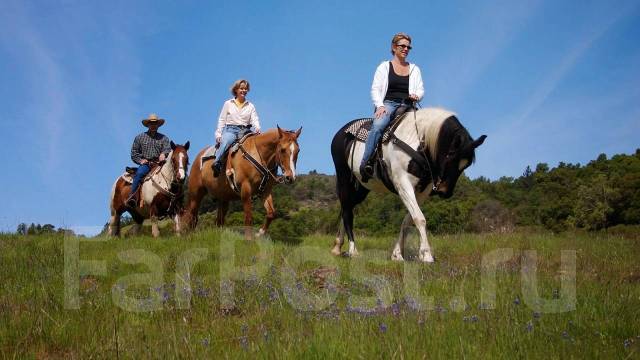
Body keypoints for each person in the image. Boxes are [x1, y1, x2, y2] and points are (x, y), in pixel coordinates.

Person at [360, 32, 424, 182]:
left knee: (423, 129)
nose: (406, 49)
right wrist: (380, 106)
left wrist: (417, 96)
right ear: (394, 47)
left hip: (408, 105)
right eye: (402, 46)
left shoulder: (415, 69)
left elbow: (420, 89)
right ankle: (366, 163)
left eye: (408, 47)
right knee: (378, 126)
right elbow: (375, 89)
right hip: (388, 103)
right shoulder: (384, 66)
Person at [212, 79, 261, 176]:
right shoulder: (228, 103)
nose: (244, 90)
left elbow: (255, 119)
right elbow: (222, 119)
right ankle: (217, 163)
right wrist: (218, 134)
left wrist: (257, 128)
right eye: (241, 88)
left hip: (246, 131)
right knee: (226, 141)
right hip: (231, 130)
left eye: (246, 89)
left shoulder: (251, 106)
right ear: (236, 90)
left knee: (257, 144)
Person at [126, 113, 172, 208]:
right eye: (151, 123)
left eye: (155, 123)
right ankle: (133, 197)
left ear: (158, 125)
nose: (153, 125)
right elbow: (134, 153)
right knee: (139, 174)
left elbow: (168, 149)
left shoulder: (164, 138)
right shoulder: (140, 137)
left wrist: (164, 154)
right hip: (147, 164)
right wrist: (141, 160)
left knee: (174, 174)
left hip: (160, 164)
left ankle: (176, 199)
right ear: (148, 125)